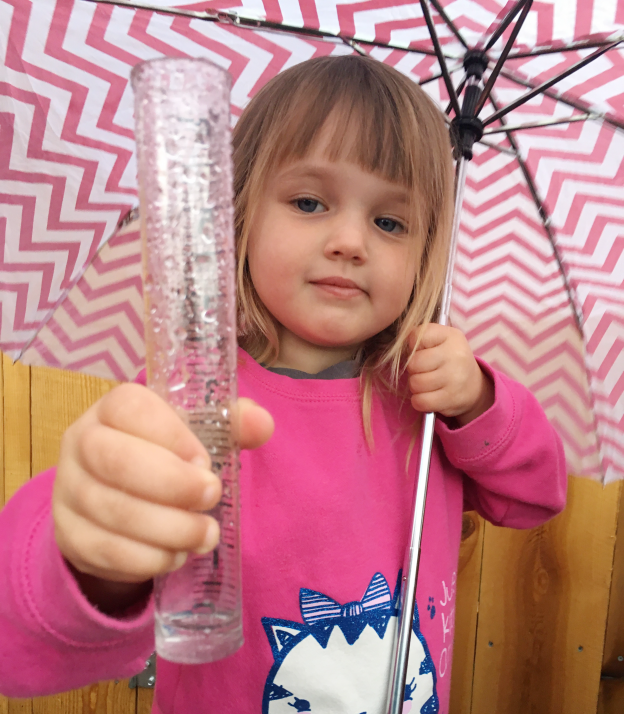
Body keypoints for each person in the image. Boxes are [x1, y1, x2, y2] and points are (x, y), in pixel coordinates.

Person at [0, 55, 566, 714]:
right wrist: (94, 556)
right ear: (235, 214)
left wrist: (480, 404)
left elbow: (536, 497)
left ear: (427, 252)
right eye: (308, 201)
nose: (351, 241)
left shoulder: (430, 401)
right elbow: (20, 645)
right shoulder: (191, 402)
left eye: (391, 222)